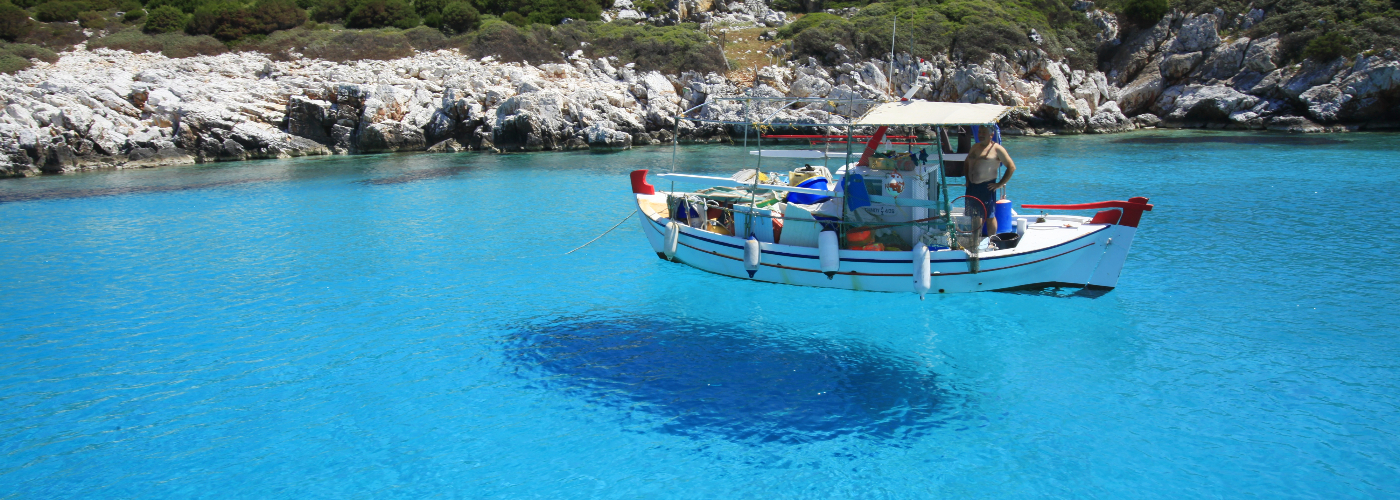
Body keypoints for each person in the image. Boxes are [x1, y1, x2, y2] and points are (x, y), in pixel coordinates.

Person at [964, 126, 1017, 236]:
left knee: (989, 216)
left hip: (986, 187)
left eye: (984, 132)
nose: (981, 134)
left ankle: (992, 240)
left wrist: (999, 184)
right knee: (975, 215)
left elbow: (1011, 167)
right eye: (979, 132)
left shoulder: (997, 149)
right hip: (972, 187)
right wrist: (967, 179)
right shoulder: (975, 147)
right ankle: (975, 240)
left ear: (991, 135)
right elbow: (966, 162)